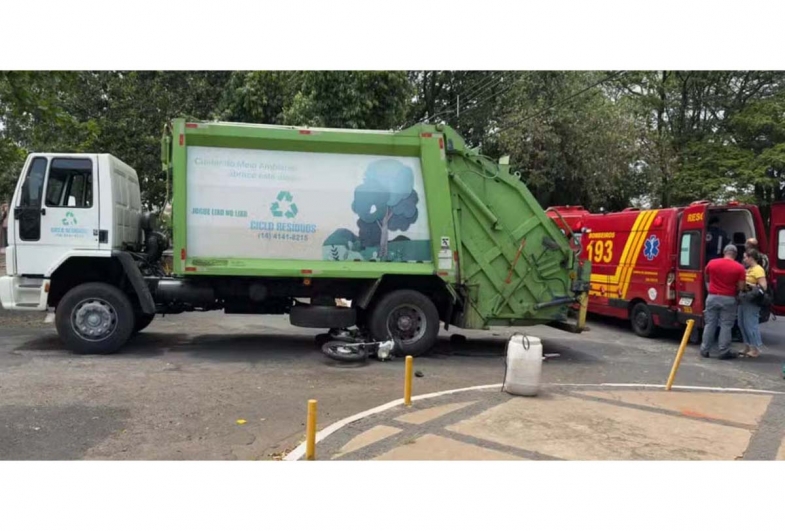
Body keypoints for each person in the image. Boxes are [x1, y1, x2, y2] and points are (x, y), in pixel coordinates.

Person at [700, 244, 747, 360]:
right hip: (729, 299)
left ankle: (704, 349)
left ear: (724, 252)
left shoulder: (712, 263)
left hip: (712, 297)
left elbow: (706, 278)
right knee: (726, 325)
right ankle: (723, 351)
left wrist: (710, 288)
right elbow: (741, 287)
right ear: (735, 254)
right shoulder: (739, 268)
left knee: (710, 324)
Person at [737, 249, 767, 358]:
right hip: (743, 299)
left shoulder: (758, 270)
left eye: (745, 257)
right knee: (741, 323)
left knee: (750, 324)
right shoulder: (748, 269)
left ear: (751, 258)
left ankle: (755, 348)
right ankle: (747, 346)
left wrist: (749, 285)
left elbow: (763, 286)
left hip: (752, 300)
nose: (744, 259)